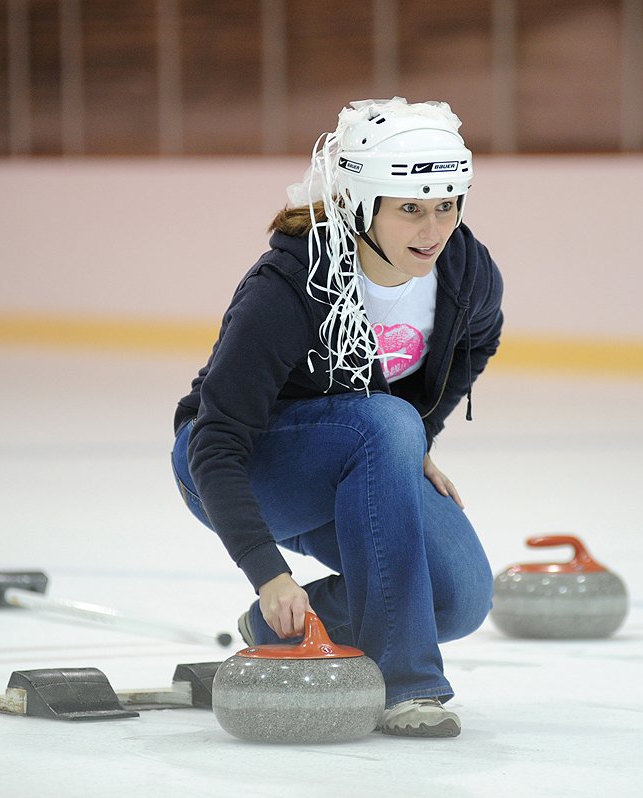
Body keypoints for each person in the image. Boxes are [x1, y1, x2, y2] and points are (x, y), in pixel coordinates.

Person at [170, 97, 504, 738]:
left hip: (364, 453)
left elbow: (475, 344)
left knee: (459, 597)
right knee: (383, 422)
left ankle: (274, 628)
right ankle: (409, 687)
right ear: (360, 203)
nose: (433, 229)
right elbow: (215, 441)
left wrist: (416, 441)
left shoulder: (465, 270)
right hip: (244, 466)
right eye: (409, 207)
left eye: (446, 204)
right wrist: (269, 571)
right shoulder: (288, 283)